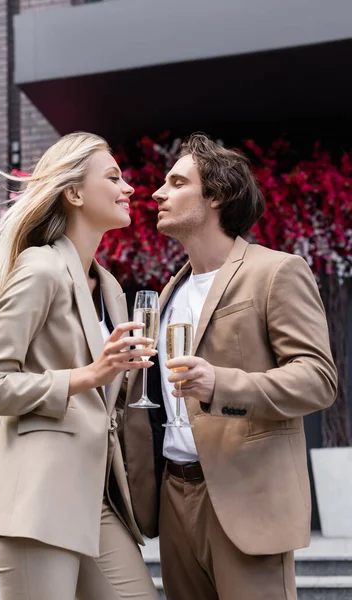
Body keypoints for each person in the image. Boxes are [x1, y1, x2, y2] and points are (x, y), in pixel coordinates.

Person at [124, 133, 337, 600]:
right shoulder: (166, 296)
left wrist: (221, 383)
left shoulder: (277, 271)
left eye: (176, 182)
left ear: (216, 195)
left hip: (246, 501)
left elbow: (318, 379)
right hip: (174, 496)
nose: (158, 193)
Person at [0, 132, 159, 600]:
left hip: (98, 497)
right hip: (39, 495)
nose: (129, 188)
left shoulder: (111, 288)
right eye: (113, 177)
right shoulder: (39, 268)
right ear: (73, 193)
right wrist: (90, 375)